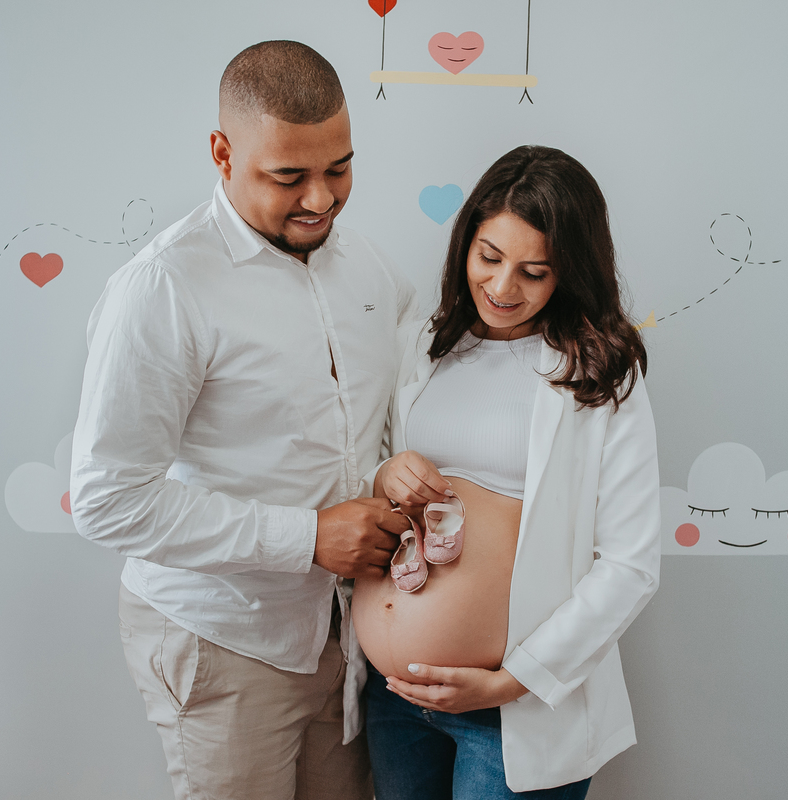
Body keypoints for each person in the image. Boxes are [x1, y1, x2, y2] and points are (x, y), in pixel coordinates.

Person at [70, 41, 417, 800]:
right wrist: (310, 537)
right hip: (220, 637)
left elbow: (389, 410)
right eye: (289, 177)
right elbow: (107, 499)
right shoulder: (162, 288)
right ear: (223, 154)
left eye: (340, 168)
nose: (321, 199)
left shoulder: (368, 267)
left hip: (349, 640)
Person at [351, 145, 662, 798]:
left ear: (569, 272)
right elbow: (362, 470)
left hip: (510, 708)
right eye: (488, 258)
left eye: (534, 271)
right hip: (394, 699)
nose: (501, 287)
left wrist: (515, 680)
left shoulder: (600, 373)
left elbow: (631, 564)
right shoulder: (423, 343)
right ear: (465, 242)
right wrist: (386, 475)